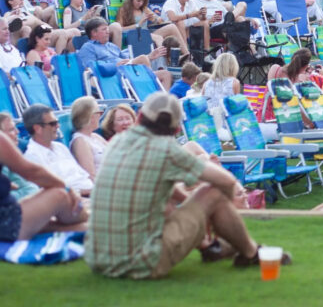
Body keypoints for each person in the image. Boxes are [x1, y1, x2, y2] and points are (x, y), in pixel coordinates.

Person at [86, 92, 288, 278]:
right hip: (139, 264)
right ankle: (250, 253)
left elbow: (165, 189)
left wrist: (199, 210)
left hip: (98, 259)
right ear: (176, 129)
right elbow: (226, 182)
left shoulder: (116, 143)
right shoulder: (165, 149)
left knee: (170, 203)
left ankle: (212, 248)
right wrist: (215, 214)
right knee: (213, 193)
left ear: (139, 118)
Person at [0, 78, 87, 242]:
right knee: (59, 194)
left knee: (58, 224)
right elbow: (32, 172)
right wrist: (67, 188)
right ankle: (85, 217)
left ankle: (84, 224)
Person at [21, 105, 94, 195]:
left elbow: (83, 175)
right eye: (53, 123)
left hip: (91, 192)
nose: (58, 126)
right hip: (75, 199)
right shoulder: (33, 157)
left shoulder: (60, 147)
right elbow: (53, 192)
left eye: (57, 122)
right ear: (38, 129)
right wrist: (87, 192)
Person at [116, 0, 190, 59]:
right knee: (158, 37)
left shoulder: (144, 9)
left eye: (143, 1)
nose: (141, 3)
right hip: (135, 36)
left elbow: (159, 20)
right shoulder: (124, 10)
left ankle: (187, 54)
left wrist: (155, 19)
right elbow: (120, 29)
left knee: (172, 27)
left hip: (147, 34)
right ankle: (165, 61)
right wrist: (139, 23)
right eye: (138, 1)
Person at [69, 97, 109, 179]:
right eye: (99, 113)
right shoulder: (80, 142)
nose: (100, 116)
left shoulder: (95, 136)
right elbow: (90, 176)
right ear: (90, 116)